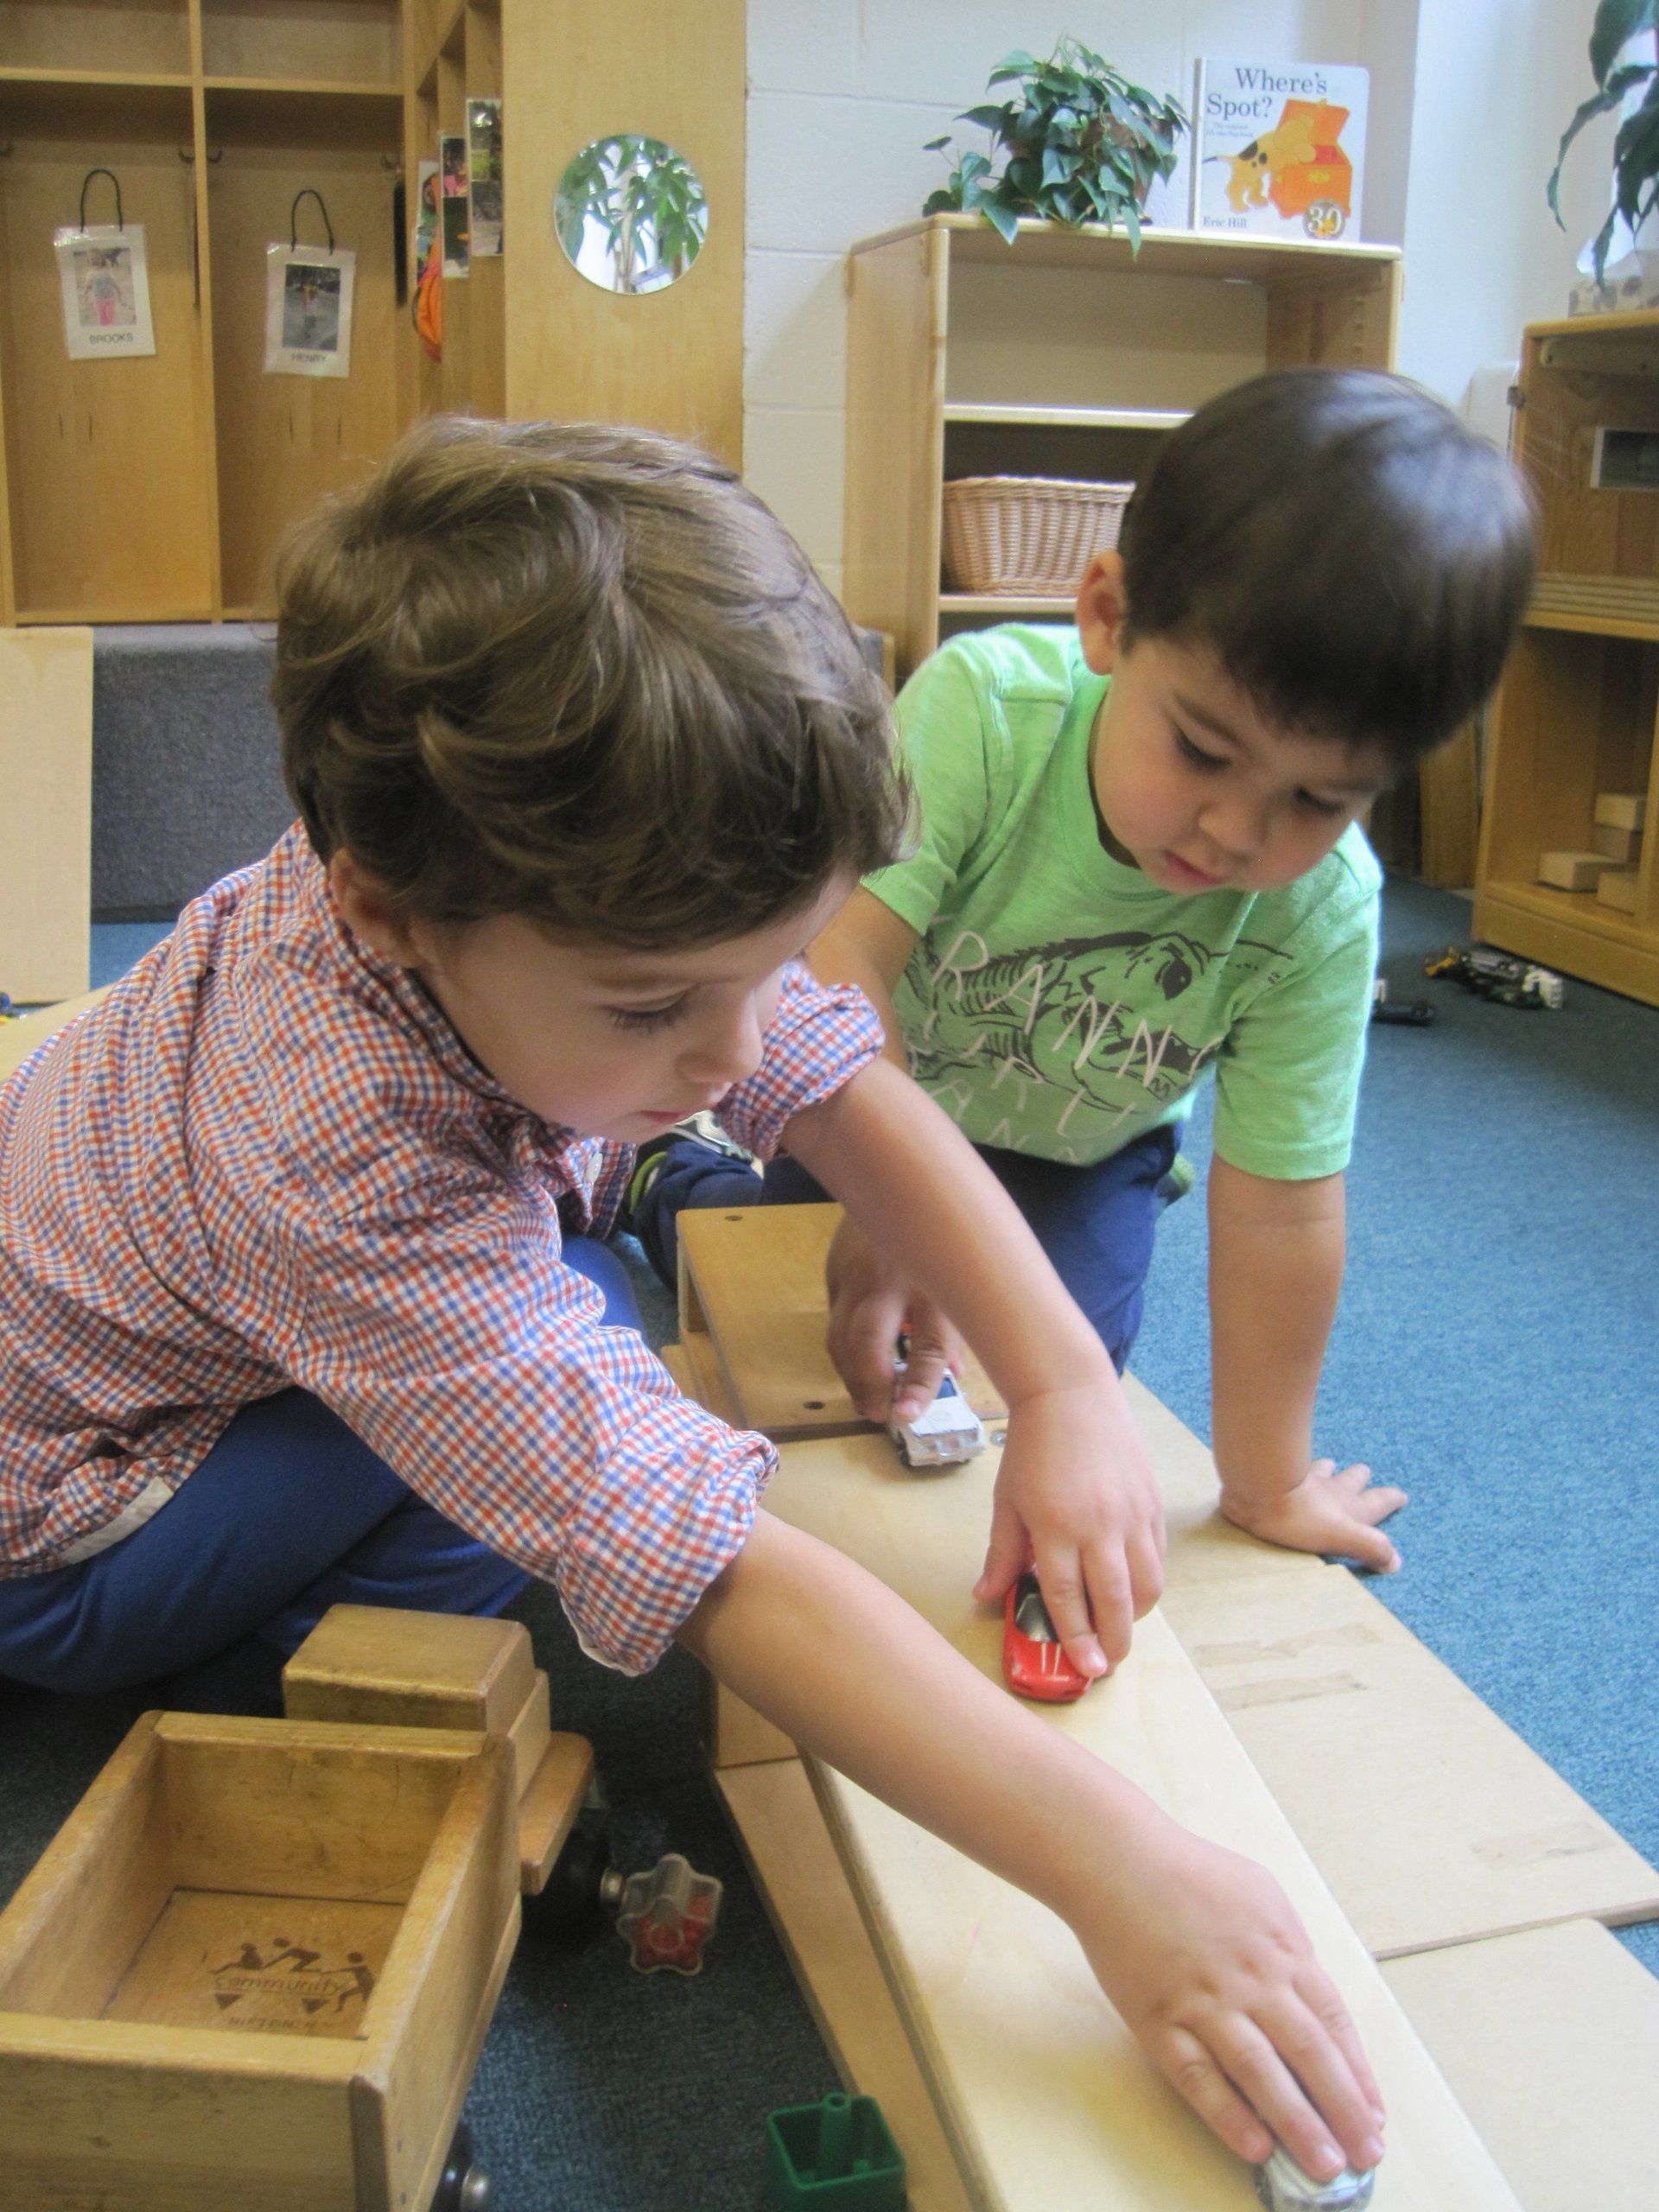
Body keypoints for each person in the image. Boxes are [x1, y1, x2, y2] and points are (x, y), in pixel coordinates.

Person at [0, 416, 1382, 2187]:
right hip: (75, 1519)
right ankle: (252, 1652)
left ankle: (578, 1198)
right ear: (392, 911)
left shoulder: (490, 865)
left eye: (763, 966)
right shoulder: (328, 1149)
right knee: (549, 1432)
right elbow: (694, 1546)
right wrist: (1119, 1866)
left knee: (578, 1298)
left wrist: (1063, 1385)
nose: (730, 1055)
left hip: (168, 1315)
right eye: (655, 1007)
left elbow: (827, 1061)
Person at [632, 367, 1537, 1577]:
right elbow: (840, 964)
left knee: (1054, 1382)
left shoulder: (1325, 909)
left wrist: (1266, 1480)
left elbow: (1283, 1208)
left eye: (1318, 800)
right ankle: (671, 1178)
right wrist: (892, 1210)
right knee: (787, 1298)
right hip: (870, 1089)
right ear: (1108, 615)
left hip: (1084, 1153)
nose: (1235, 832)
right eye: (1202, 749)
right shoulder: (987, 712)